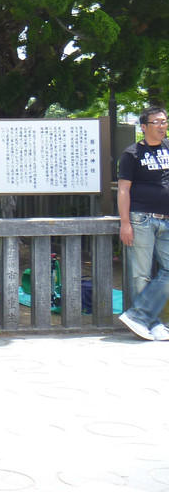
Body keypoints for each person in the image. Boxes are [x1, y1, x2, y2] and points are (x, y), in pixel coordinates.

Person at [117, 105, 169, 341]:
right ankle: (153, 322)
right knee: (141, 275)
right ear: (144, 126)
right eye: (156, 122)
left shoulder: (168, 148)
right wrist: (125, 223)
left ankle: (140, 317)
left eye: (164, 121)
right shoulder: (132, 154)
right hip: (142, 218)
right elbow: (123, 190)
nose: (162, 126)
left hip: (166, 219)